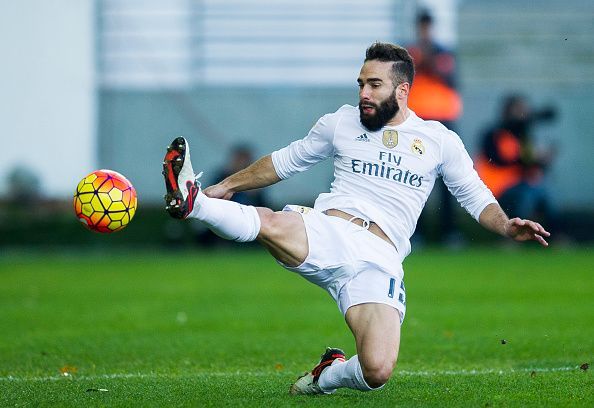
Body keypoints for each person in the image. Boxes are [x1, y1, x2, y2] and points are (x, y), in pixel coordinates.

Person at [162, 42, 550, 395]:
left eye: (374, 85)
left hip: (380, 260)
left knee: (377, 370)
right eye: (361, 83)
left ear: (401, 91)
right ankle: (193, 202)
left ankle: (327, 375)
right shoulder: (340, 122)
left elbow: (474, 193)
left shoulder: (439, 140)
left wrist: (505, 224)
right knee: (272, 222)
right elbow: (284, 162)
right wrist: (224, 186)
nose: (364, 93)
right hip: (330, 228)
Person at [406, 10, 463, 245]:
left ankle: (449, 232)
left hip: (443, 120)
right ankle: (415, 232)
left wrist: (430, 61)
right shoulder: (409, 53)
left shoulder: (443, 52)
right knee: (413, 175)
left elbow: (452, 80)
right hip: (417, 120)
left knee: (446, 174)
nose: (425, 31)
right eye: (422, 27)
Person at [475, 94, 557, 228]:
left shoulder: (523, 136)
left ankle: (554, 235)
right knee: (525, 195)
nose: (523, 114)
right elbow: (497, 160)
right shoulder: (494, 134)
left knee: (543, 192)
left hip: (519, 184)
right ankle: (513, 235)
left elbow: (528, 164)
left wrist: (542, 161)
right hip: (497, 187)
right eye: (519, 109)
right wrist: (529, 157)